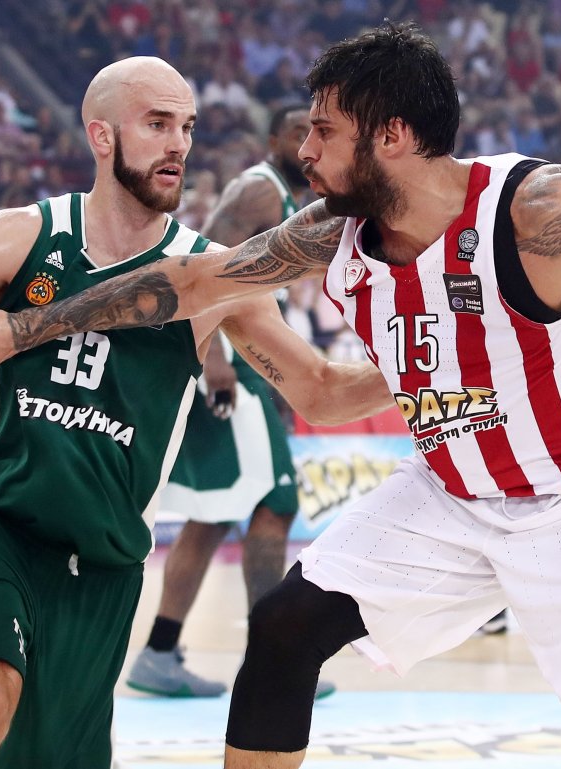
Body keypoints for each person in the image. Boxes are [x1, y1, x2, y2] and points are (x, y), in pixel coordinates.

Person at [0, 24, 561, 769]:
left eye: (323, 131)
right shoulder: (331, 234)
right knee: (284, 628)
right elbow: (191, 283)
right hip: (453, 493)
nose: (304, 149)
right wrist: (24, 328)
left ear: (390, 135)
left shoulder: (541, 209)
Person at [0, 56, 391, 769]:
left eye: (187, 127)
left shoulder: (210, 275)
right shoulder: (21, 236)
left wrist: (430, 371)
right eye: (158, 124)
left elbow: (320, 389)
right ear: (102, 136)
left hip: (106, 565)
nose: (178, 144)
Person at [125, 104, 338, 698]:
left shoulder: (288, 198)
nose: (308, 143)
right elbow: (201, 267)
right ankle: (271, 663)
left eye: (317, 132)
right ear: (272, 140)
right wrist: (215, 359)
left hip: (242, 364)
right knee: (275, 504)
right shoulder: (258, 190)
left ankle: (160, 652)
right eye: (297, 132)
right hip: (225, 367)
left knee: (217, 512)